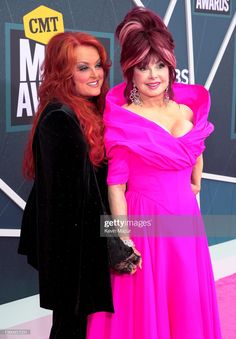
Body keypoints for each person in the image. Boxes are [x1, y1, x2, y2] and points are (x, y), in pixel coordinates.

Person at [86, 7, 222, 339]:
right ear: (130, 72)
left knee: (186, 299)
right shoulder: (124, 119)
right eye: (143, 67)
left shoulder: (186, 109)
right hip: (145, 221)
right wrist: (123, 237)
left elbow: (196, 148)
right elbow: (116, 186)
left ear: (171, 67)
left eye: (160, 65)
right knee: (146, 309)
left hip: (185, 220)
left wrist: (195, 183)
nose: (153, 75)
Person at [18, 32, 116, 339]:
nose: (95, 74)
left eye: (98, 65)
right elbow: (73, 200)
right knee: (70, 326)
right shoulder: (60, 117)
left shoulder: (88, 111)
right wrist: (116, 239)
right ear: (63, 73)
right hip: (71, 248)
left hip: (81, 241)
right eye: (83, 67)